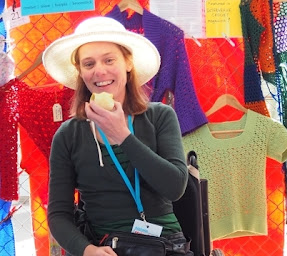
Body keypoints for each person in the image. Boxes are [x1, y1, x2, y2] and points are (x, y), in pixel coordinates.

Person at [42, 17, 192, 256]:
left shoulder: (160, 116)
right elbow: (59, 214)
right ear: (80, 72)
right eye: (88, 64)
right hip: (102, 244)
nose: (99, 70)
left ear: (128, 62)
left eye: (109, 59)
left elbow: (175, 187)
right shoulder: (68, 135)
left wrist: (123, 135)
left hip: (162, 245)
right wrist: (86, 250)